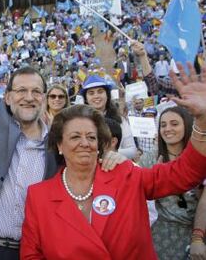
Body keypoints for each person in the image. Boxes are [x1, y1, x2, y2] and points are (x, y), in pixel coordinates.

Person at [0, 0, 125, 259]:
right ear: (7, 97)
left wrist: (109, 157)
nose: (28, 98)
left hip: (39, 249)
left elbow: (86, 164)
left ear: (44, 98)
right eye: (20, 91)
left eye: (35, 92)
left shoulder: (59, 140)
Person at [20, 62, 206, 259]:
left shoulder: (126, 174)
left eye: (91, 137)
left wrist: (202, 121)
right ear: (59, 145)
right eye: (75, 137)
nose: (84, 143)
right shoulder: (39, 196)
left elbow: (184, 174)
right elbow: (31, 255)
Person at [151, 106, 206, 259]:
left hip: (196, 234)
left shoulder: (200, 157)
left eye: (174, 124)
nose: (168, 129)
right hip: (160, 235)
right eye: (163, 125)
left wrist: (197, 237)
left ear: (186, 125)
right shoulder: (150, 158)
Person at [80, 75, 137, 158]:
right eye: (91, 93)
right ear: (86, 98)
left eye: (100, 91)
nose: (96, 96)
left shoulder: (120, 119)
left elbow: (132, 150)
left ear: (107, 95)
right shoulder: (80, 121)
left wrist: (108, 153)